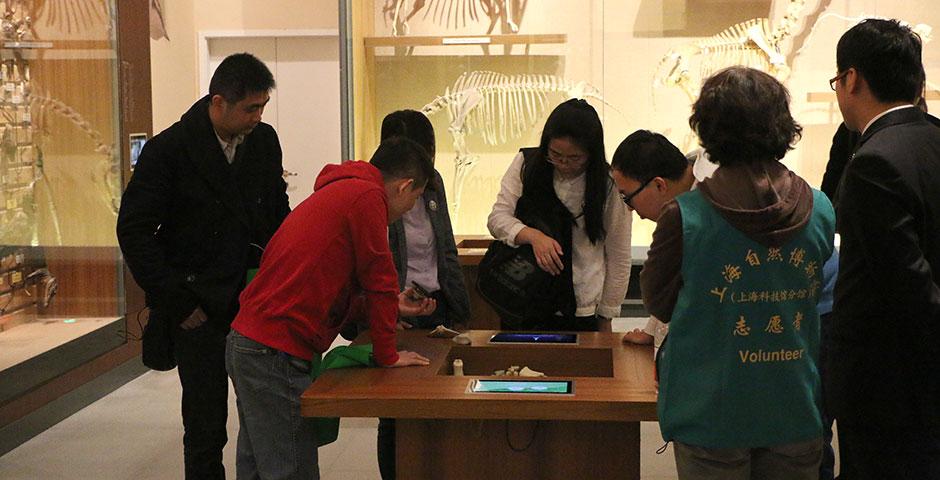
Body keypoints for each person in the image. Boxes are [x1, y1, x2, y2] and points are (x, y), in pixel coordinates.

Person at [642, 66, 835, 479]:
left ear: (708, 130)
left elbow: (660, 302)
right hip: (794, 405)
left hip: (710, 412)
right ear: (782, 125)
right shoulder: (821, 208)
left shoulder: (684, 216)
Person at [116, 53, 289, 479]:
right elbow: (134, 231)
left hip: (255, 301)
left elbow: (277, 215)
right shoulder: (169, 150)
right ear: (218, 102)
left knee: (265, 419)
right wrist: (176, 301)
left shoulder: (263, 142)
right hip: (198, 308)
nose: (258, 116)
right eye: (250, 108)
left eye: (263, 107)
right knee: (205, 426)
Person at [225, 137, 436, 479]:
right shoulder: (368, 197)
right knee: (290, 469)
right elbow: (380, 280)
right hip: (273, 350)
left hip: (250, 341)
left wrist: (390, 308)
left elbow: (331, 289)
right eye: (413, 200)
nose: (409, 210)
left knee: (258, 467)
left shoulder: (341, 191)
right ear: (405, 186)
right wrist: (388, 355)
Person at [829, 18, 940, 479]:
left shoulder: (874, 159)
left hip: (888, 384)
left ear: (852, 78)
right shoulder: (932, 137)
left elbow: (906, 285)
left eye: (837, 80)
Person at [372, 110, 470, 480]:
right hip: (395, 311)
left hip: (435, 307)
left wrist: (458, 304)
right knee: (394, 414)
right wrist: (387, 309)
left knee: (439, 404)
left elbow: (445, 246)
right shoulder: (373, 193)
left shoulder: (434, 184)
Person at [487, 98, 631, 332]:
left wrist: (607, 314)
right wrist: (532, 236)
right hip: (526, 293)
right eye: (555, 154)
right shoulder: (527, 163)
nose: (563, 163)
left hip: (582, 304)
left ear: (591, 153)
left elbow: (619, 254)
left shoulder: (607, 183)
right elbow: (497, 218)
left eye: (575, 158)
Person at [610, 131, 717, 347]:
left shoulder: (712, 206)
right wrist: (652, 330)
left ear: (659, 185)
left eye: (627, 197)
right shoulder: (688, 187)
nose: (629, 209)